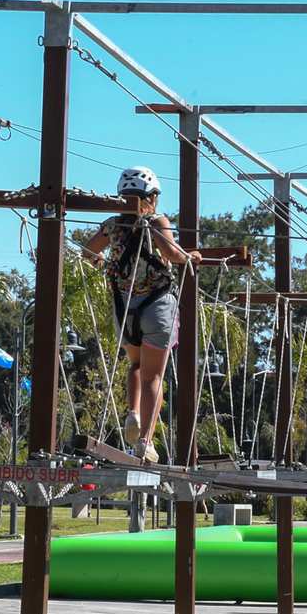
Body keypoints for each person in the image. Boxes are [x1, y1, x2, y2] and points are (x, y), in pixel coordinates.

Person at [80, 166, 203, 463]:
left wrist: (100, 261)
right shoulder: (156, 221)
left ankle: (133, 412)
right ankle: (145, 440)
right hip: (157, 306)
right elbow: (173, 254)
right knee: (153, 376)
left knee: (135, 365)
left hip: (125, 308)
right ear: (152, 197)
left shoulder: (112, 225)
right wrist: (192, 257)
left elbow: (88, 251)